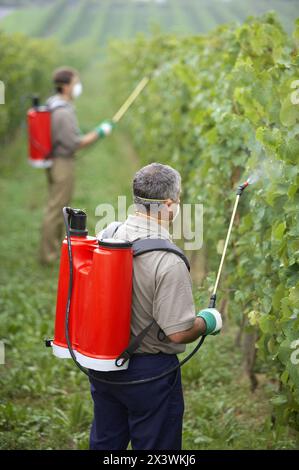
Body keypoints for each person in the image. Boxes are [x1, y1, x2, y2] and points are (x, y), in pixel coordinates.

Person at [89, 162, 222, 450]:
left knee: (106, 442)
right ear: (170, 204)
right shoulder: (168, 260)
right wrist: (208, 321)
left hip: (103, 363)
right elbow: (178, 333)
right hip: (150, 374)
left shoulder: (108, 235)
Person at [39, 66, 113, 265]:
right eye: (75, 83)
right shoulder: (62, 111)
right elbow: (74, 143)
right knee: (56, 208)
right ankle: (48, 255)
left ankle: (54, 249)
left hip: (56, 160)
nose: (77, 87)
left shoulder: (54, 104)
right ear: (65, 87)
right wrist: (100, 132)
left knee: (57, 205)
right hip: (62, 163)